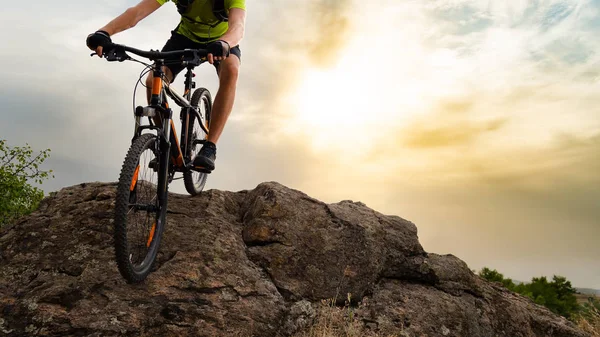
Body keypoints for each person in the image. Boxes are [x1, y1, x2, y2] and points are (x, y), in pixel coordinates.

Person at [86, 0, 246, 173]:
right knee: (152, 81)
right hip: (185, 38)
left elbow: (238, 26)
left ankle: (210, 146)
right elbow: (136, 12)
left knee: (231, 70)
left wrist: (224, 43)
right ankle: (166, 144)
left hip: (222, 40)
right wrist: (104, 32)